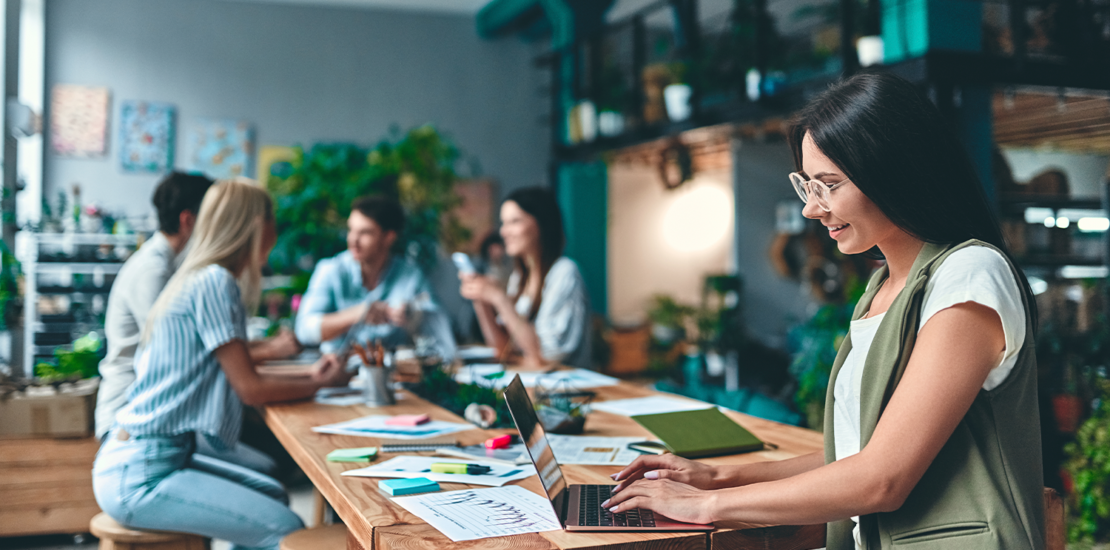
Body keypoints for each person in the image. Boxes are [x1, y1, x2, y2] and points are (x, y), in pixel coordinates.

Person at [603, 72, 1044, 550]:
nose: (813, 209)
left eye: (829, 185)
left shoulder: (969, 275)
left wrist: (705, 506)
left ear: (894, 173)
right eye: (808, 185)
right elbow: (858, 454)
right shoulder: (883, 287)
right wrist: (718, 476)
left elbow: (882, 479)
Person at [93, 179, 352, 550]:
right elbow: (249, 388)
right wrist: (322, 383)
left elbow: (241, 369)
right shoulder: (216, 283)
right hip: (142, 471)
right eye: (272, 221)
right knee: (286, 527)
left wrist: (313, 377)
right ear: (254, 226)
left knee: (274, 494)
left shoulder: (201, 276)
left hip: (153, 454)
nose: (276, 232)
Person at [94, 172, 298, 477]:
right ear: (190, 220)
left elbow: (210, 346)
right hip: (139, 420)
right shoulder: (154, 271)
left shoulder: (188, 269)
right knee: (269, 466)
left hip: (171, 421)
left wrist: (273, 351)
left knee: (265, 464)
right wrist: (274, 351)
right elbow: (197, 352)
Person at [294, 195, 456, 358]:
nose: (353, 240)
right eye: (351, 230)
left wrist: (414, 316)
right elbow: (304, 331)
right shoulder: (330, 270)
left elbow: (440, 331)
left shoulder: (410, 275)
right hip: (338, 373)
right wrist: (358, 314)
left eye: (365, 233)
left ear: (389, 237)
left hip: (394, 373)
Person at [459, 187, 592, 370]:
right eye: (503, 223)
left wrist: (499, 299)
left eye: (515, 221)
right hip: (535, 385)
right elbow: (503, 349)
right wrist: (481, 300)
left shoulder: (565, 273)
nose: (504, 232)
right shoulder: (520, 277)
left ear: (541, 224)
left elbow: (543, 356)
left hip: (569, 389)